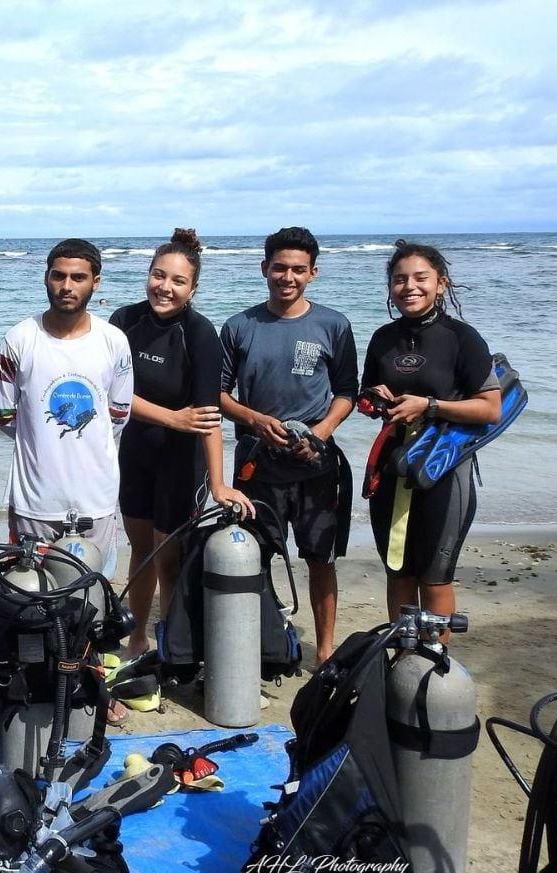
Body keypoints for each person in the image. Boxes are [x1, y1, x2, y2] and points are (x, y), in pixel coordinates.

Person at [110, 229, 254, 658]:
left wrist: (219, 484)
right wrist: (171, 416)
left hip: (180, 461)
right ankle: (137, 638)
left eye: (177, 281)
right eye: (159, 275)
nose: (165, 287)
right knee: (139, 551)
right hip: (133, 454)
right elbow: (111, 392)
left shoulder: (200, 333)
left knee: (168, 559)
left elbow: (208, 418)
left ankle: (170, 646)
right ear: (147, 275)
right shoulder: (124, 322)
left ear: (192, 288)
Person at [219, 226, 357, 666]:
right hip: (257, 466)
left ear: (313, 273)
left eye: (298, 269)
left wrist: (320, 433)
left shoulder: (333, 324)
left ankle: (326, 649)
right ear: (265, 269)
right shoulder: (239, 326)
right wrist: (254, 420)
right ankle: (255, 645)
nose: (288, 276)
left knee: (321, 559)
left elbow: (347, 392)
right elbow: (218, 395)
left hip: (316, 464)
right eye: (279, 267)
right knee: (252, 557)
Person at [362, 240, 500, 625]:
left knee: (434, 578)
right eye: (399, 279)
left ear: (440, 283)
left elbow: (490, 408)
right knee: (398, 572)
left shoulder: (461, 337)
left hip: (443, 470)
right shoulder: (382, 339)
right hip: (393, 469)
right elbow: (370, 398)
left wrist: (431, 406)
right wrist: (373, 399)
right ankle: (403, 659)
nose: (410, 287)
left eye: (420, 278)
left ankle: (431, 664)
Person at [0, 238, 132, 595]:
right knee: (31, 598)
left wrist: (75, 438)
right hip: (35, 501)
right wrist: (41, 436)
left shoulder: (113, 341)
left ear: (95, 282)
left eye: (78, 277)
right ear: (46, 277)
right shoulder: (18, 340)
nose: (67, 286)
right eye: (59, 276)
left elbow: (118, 413)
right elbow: (3, 414)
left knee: (93, 599)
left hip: (96, 498)